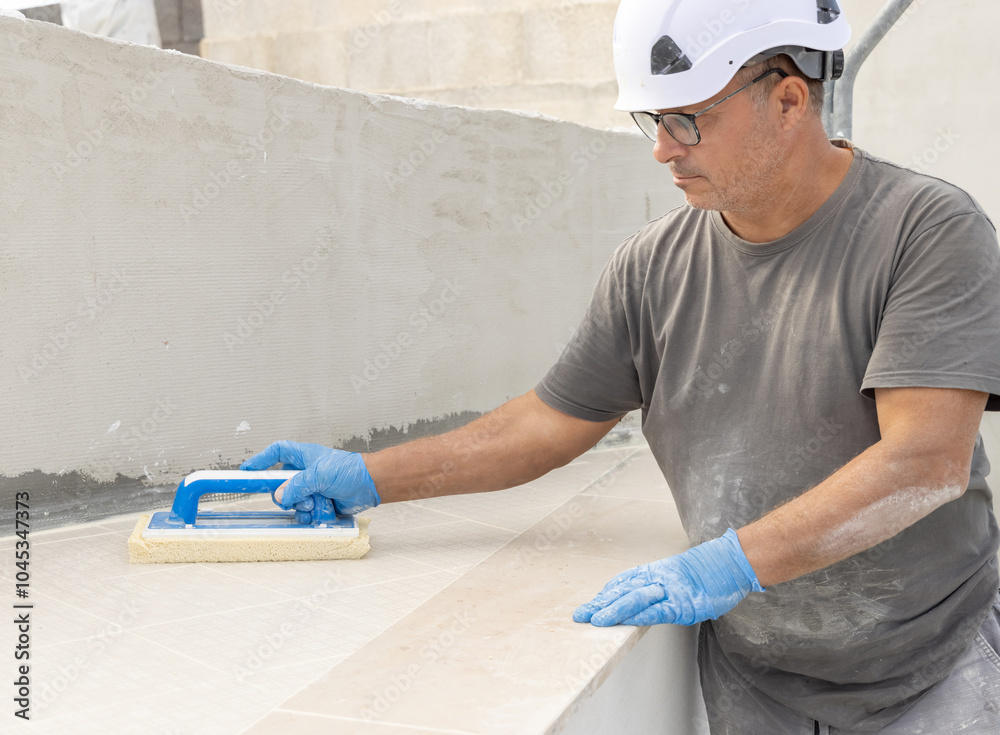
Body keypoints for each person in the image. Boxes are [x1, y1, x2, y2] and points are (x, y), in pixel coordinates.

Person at [241, 1, 1000, 732]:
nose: (663, 148)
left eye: (686, 120)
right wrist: (369, 477)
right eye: (652, 120)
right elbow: (545, 425)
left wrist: (725, 566)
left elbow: (923, 462)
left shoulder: (926, 231)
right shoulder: (652, 267)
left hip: (930, 670)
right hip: (758, 681)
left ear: (789, 100)